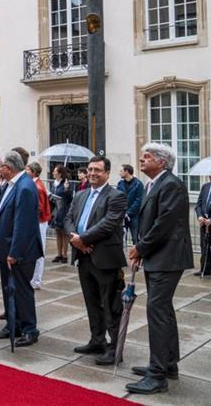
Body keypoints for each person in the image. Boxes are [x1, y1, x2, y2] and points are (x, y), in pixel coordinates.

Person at [126, 143, 194, 395]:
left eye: (147, 156)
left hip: (167, 258)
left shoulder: (170, 184)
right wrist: (141, 250)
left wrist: (140, 249)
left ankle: (157, 376)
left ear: (162, 162)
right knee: (163, 310)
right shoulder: (155, 184)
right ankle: (167, 364)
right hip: (159, 257)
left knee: (157, 311)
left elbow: (163, 224)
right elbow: (149, 222)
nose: (141, 159)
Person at [64, 156, 127, 366]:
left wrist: (83, 239)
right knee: (92, 302)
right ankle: (97, 340)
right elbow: (68, 219)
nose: (92, 173)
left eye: (97, 170)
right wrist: (77, 241)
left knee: (111, 305)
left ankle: (115, 348)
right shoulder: (80, 194)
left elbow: (108, 224)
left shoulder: (116, 196)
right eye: (90, 169)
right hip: (83, 257)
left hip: (105, 259)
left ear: (107, 173)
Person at [0, 150, 42, 347]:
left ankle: (30, 329)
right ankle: (14, 324)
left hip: (19, 252)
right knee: (9, 288)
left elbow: (23, 224)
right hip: (7, 249)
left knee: (21, 290)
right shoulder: (12, 184)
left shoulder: (25, 187)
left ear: (8, 168)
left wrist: (14, 252)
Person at [26, 161, 51, 290]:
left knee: (39, 251)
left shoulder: (37, 187)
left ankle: (36, 280)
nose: (25, 172)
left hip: (39, 222)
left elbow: (38, 208)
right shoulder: (36, 184)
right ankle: (34, 279)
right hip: (39, 221)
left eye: (28, 170)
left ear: (34, 172)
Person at [50, 165, 73, 263]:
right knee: (58, 232)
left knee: (64, 234)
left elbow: (70, 198)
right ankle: (59, 254)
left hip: (63, 211)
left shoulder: (66, 183)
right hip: (56, 211)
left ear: (60, 173)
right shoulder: (53, 183)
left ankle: (65, 255)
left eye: (55, 171)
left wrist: (67, 190)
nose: (53, 173)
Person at [117, 164, 145, 244]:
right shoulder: (120, 183)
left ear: (126, 171)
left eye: (121, 171)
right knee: (120, 238)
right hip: (122, 215)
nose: (119, 173)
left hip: (134, 216)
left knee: (135, 238)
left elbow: (139, 200)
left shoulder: (138, 184)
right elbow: (117, 198)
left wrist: (128, 212)